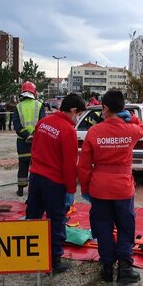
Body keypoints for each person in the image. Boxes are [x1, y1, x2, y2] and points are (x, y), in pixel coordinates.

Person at [77, 90, 143, 284]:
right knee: (125, 226)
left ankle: (107, 268)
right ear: (122, 108)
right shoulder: (131, 130)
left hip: (99, 188)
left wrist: (85, 188)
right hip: (123, 187)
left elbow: (83, 166)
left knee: (103, 227)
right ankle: (124, 268)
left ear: (105, 108)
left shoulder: (94, 132)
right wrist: (132, 117)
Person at [26, 93, 86, 273]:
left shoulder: (43, 122)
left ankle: (30, 255)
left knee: (33, 217)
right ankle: (54, 260)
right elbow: (69, 164)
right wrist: (70, 189)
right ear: (73, 110)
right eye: (79, 114)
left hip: (36, 177)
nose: (78, 118)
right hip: (54, 182)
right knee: (56, 220)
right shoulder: (68, 131)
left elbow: (34, 148)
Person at [12, 81, 46, 197]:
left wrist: (27, 135)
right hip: (37, 141)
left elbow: (17, 126)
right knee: (36, 167)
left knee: (23, 165)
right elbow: (42, 123)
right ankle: (34, 190)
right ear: (34, 92)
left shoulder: (18, 107)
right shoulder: (40, 105)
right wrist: (34, 135)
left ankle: (20, 190)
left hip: (22, 142)